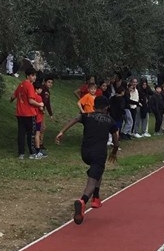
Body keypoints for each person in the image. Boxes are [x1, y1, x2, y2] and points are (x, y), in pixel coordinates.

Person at [55, 96, 120, 225]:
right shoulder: (110, 120)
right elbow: (116, 138)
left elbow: (75, 119)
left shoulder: (87, 115)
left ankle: (96, 197)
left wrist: (62, 132)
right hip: (99, 153)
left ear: (94, 106)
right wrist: (114, 151)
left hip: (85, 153)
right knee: (93, 179)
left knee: (97, 170)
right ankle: (83, 201)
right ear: (107, 108)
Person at [10, 67, 44, 159]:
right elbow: (31, 101)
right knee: (31, 134)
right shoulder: (29, 86)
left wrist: (14, 100)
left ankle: (21, 153)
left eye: (35, 75)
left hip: (20, 113)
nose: (34, 77)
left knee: (21, 133)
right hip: (29, 113)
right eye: (33, 75)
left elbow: (13, 96)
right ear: (28, 76)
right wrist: (39, 104)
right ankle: (33, 153)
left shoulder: (21, 84)